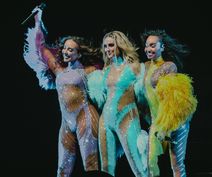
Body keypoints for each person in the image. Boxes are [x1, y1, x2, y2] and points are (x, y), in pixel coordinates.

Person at [23, 5, 103, 177]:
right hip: (66, 122)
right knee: (62, 171)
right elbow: (41, 47)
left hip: (85, 117)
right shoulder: (59, 70)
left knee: (90, 165)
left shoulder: (89, 71)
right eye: (65, 48)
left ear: (79, 54)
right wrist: (38, 18)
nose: (66, 52)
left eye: (70, 49)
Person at [88, 31, 148, 177]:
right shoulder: (106, 70)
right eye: (105, 46)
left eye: (111, 45)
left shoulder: (134, 67)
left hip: (127, 118)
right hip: (105, 121)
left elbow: (145, 90)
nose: (108, 49)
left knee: (139, 166)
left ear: (119, 45)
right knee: (106, 169)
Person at [140, 29, 198, 177]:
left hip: (174, 122)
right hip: (156, 122)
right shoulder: (144, 67)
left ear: (162, 47)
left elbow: (171, 99)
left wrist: (167, 128)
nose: (148, 49)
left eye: (153, 45)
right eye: (147, 45)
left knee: (176, 164)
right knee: (150, 163)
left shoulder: (169, 66)